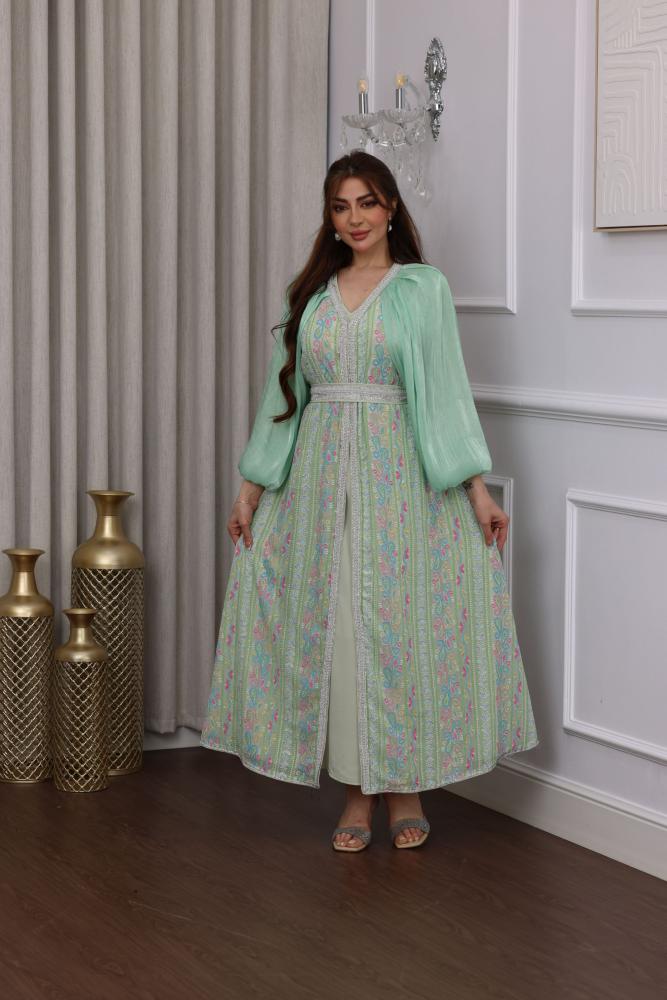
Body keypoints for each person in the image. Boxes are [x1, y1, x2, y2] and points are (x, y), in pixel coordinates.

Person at [200, 150, 539, 852]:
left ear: (390, 210)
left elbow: (444, 395)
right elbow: (281, 400)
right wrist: (250, 490)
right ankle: (356, 794)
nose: (354, 218)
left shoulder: (421, 289)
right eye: (340, 206)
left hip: (402, 488)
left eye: (366, 203)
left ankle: (403, 788)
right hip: (317, 491)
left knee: (397, 631)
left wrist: (477, 491)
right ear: (330, 218)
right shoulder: (310, 297)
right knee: (339, 635)